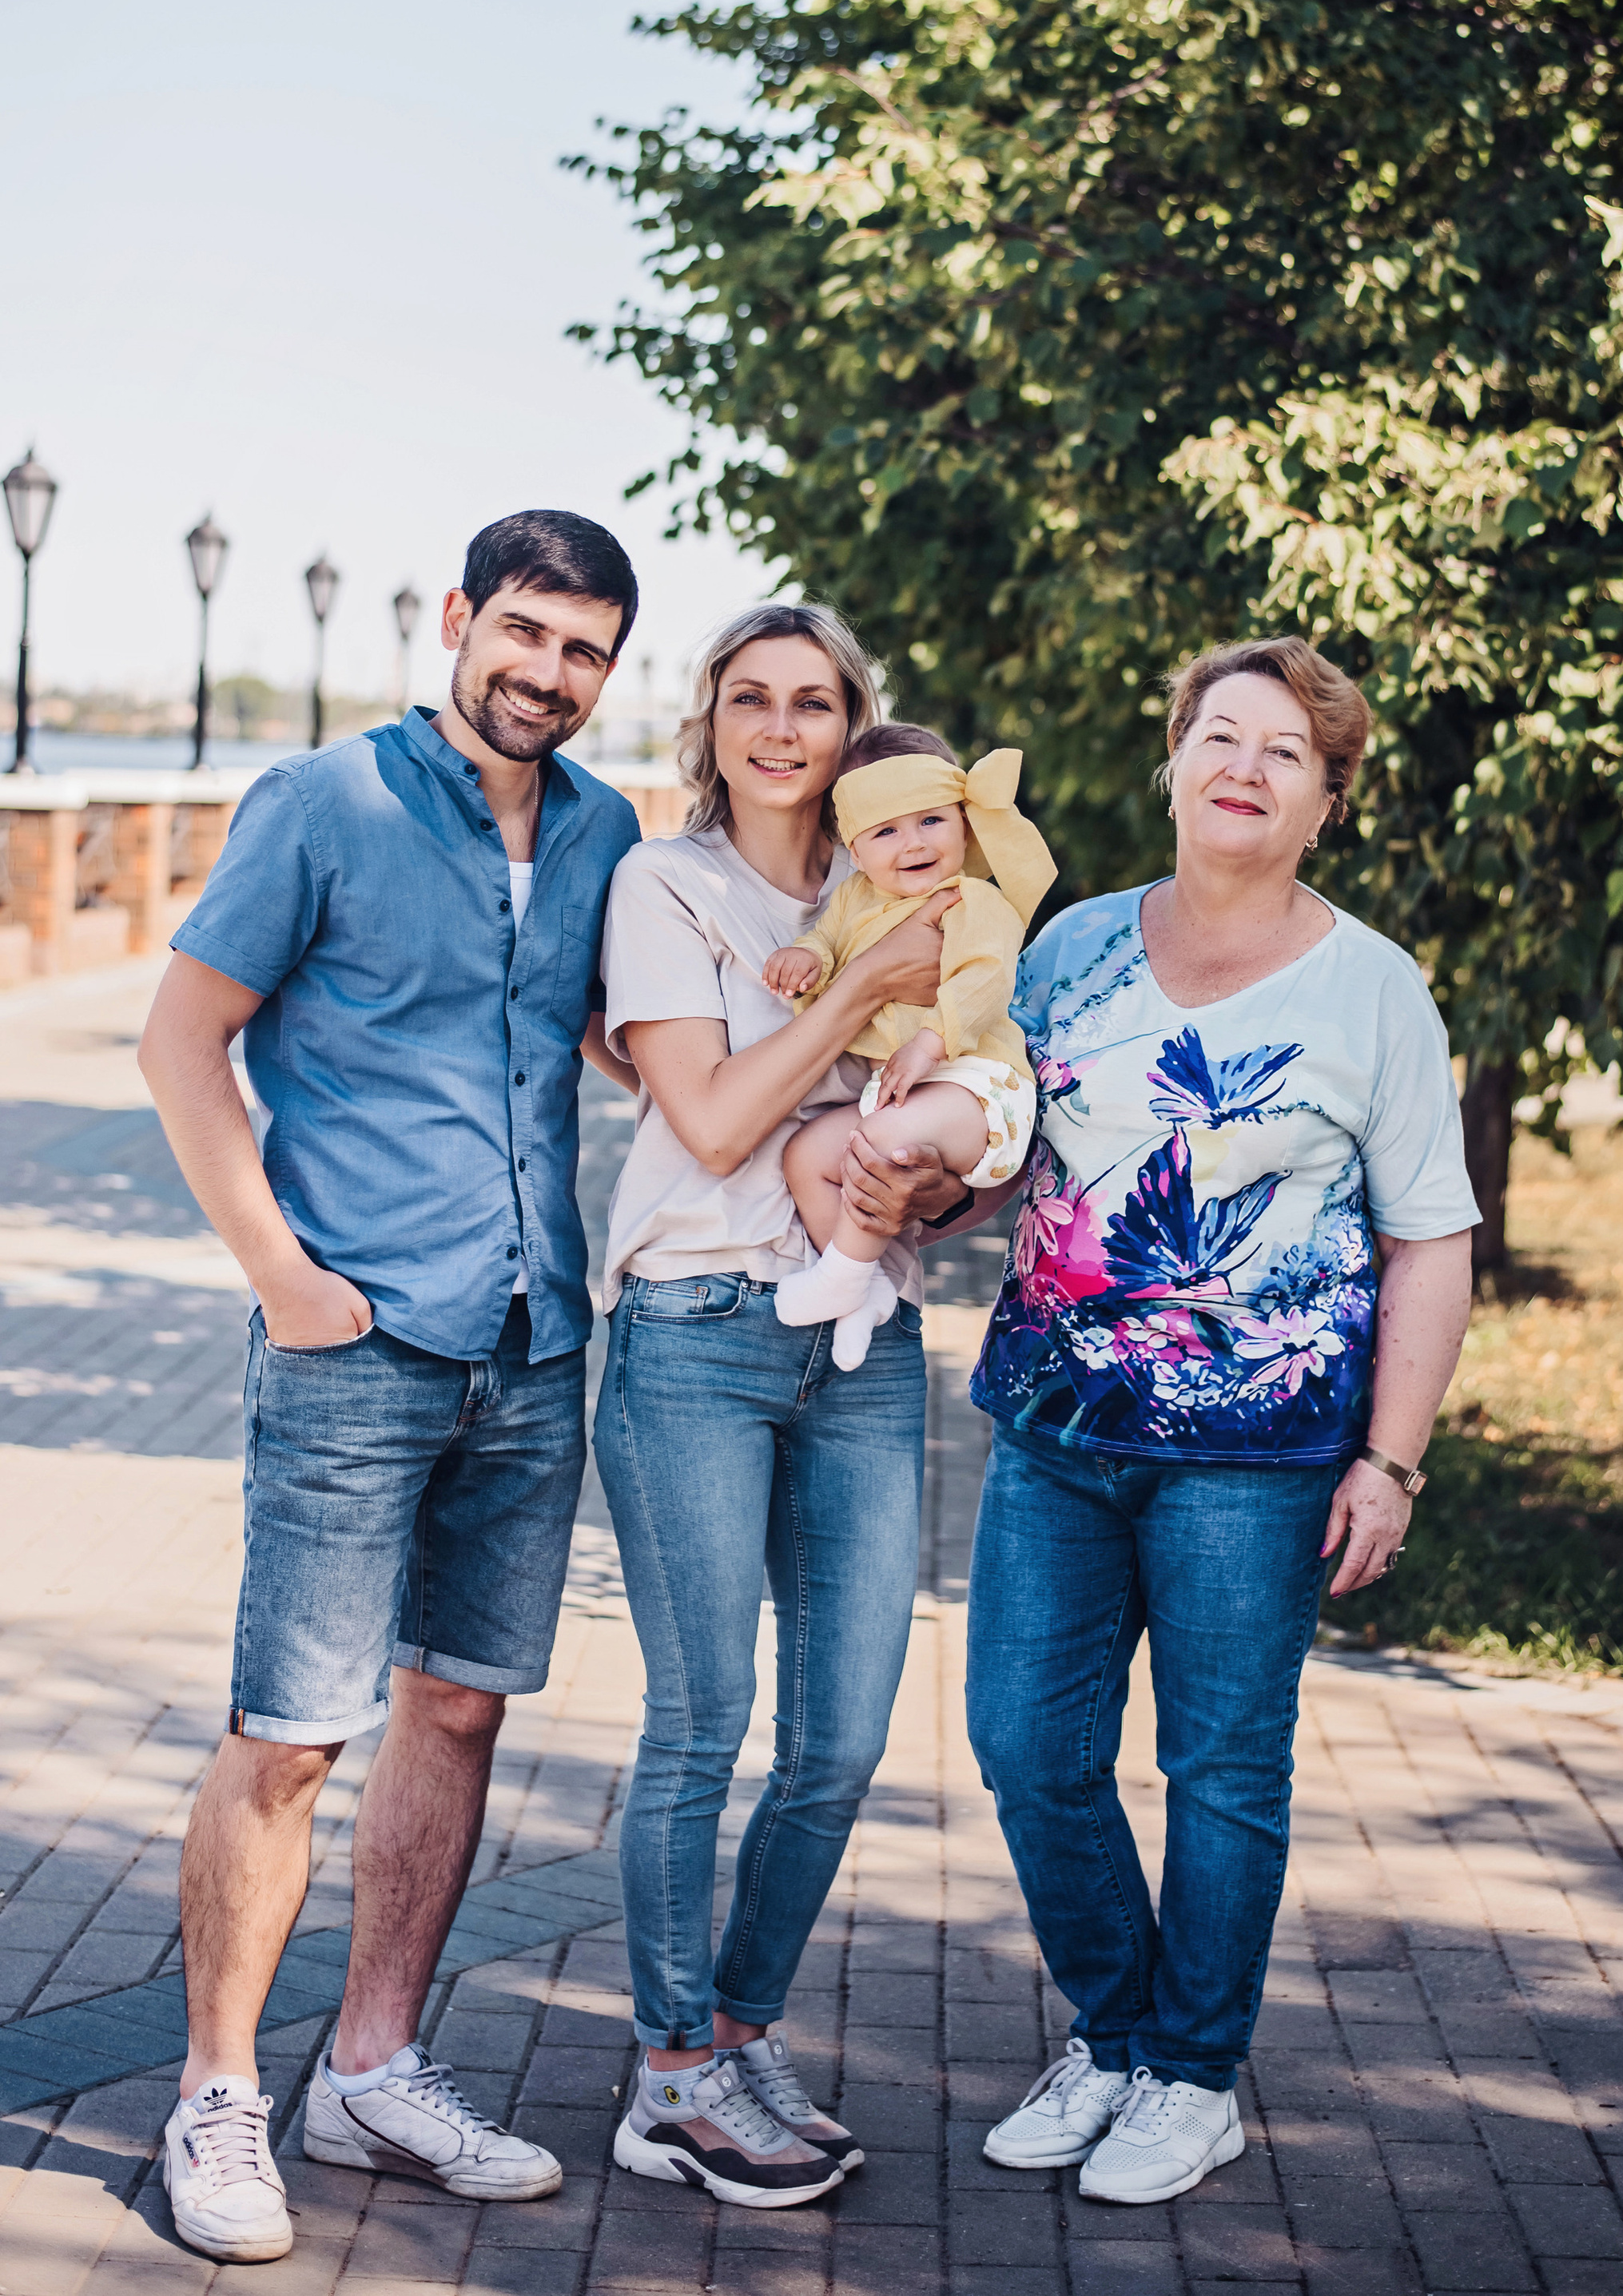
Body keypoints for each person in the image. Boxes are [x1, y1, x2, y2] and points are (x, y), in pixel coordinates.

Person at [137, 510, 643, 2266]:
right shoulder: (324, 806)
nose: (546, 675)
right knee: (289, 1735)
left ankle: (371, 2070)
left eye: (582, 651)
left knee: (457, 1714)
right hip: (355, 1347)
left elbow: (609, 1035)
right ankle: (217, 2094)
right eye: (523, 634)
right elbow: (179, 1038)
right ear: (456, 622)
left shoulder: (604, 832)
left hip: (531, 1348)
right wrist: (282, 1280)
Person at [964, 636, 1478, 2208]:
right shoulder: (1066, 950)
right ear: (1173, 759)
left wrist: (1388, 1462)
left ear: (1324, 800)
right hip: (1053, 1428)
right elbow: (999, 1148)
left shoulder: (1368, 986)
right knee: (1025, 1750)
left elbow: (1430, 1237)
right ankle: (1119, 2039)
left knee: (1218, 1773)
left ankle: (1192, 2079)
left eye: (1280, 752)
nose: (1240, 766)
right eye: (1216, 734)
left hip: (1251, 1464)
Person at [592, 603, 976, 2207]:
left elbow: (952, 1099)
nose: (778, 726)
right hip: (689, 1325)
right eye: (747, 697)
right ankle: (668, 2071)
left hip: (860, 1340)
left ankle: (737, 2031)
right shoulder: (662, 886)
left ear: (850, 727)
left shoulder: (900, 873)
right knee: (700, 1725)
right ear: (712, 724)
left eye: (812, 702)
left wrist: (936, 1171)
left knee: (842, 1738)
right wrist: (851, 994)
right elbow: (716, 1110)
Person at [765, 726, 1055, 1366]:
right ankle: (866, 1287)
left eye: (931, 819)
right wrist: (804, 957)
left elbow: (986, 976)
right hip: (910, 1096)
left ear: (963, 822)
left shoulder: (971, 899)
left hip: (981, 1091)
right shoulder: (853, 899)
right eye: (887, 831)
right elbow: (828, 942)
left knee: (879, 1144)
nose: (914, 842)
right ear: (856, 849)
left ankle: (839, 1275)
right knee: (807, 1154)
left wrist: (932, 1042)